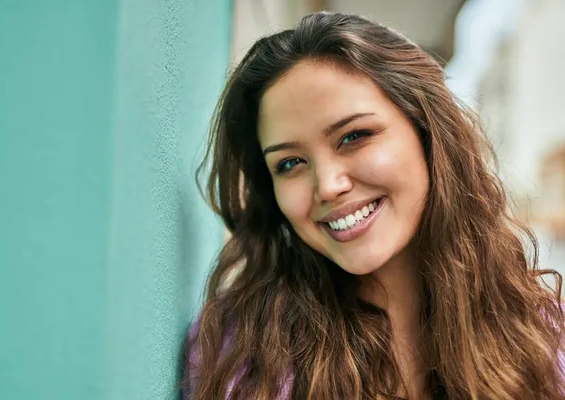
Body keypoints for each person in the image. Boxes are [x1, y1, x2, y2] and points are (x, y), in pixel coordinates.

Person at [182, 11, 565, 400]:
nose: (328, 186)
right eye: (290, 163)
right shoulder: (241, 354)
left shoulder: (543, 336)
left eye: (354, 136)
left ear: (428, 134)